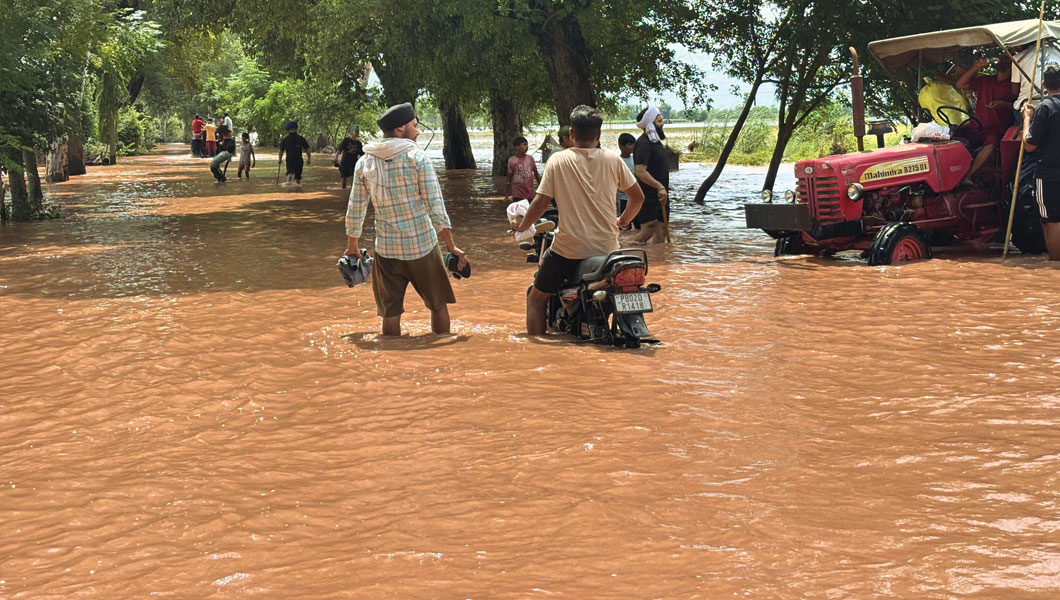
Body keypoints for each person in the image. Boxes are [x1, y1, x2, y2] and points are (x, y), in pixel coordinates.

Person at [514, 105, 645, 335]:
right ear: (599, 135)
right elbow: (637, 198)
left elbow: (540, 202)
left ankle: (536, 357)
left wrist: (521, 225)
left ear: (571, 134)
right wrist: (622, 222)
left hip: (569, 251)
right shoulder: (613, 159)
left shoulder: (558, 160)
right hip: (608, 250)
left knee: (536, 298)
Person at [344, 102, 468, 336]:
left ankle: (392, 359)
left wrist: (352, 246)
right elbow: (435, 206)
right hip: (421, 245)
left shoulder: (365, 161)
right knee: (438, 304)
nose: (418, 130)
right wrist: (451, 247)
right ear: (401, 129)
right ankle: (442, 351)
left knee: (390, 313)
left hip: (387, 249)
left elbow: (356, 207)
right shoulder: (417, 157)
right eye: (415, 125)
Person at [954, 55, 1016, 185]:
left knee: (992, 142)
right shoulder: (986, 80)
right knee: (953, 134)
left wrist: (1004, 105)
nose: (1001, 61)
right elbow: (960, 83)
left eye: (1006, 60)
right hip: (977, 126)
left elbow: (1020, 107)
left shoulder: (1014, 86)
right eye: (1000, 59)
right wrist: (976, 67)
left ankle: (968, 176)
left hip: (997, 129)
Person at [1022, 64, 1060, 260]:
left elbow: (1029, 145)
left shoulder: (1045, 107)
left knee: (1051, 221)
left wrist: (1027, 118)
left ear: (1044, 85)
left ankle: (1054, 268)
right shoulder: (1046, 108)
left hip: (1049, 173)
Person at [631, 106, 670, 244]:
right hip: (649, 195)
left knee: (662, 230)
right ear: (650, 123)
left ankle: (659, 261)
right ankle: (622, 251)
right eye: (659, 121)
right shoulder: (644, 144)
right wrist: (659, 186)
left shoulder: (655, 142)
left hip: (661, 195)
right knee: (648, 231)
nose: (662, 123)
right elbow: (640, 171)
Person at [1011, 42, 1060, 111]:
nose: (1014, 48)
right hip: (1056, 102)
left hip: (1029, 103)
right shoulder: (1057, 51)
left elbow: (1015, 91)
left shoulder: (1017, 59)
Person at [506, 136, 539, 203]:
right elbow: (509, 179)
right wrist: (506, 195)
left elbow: (536, 174)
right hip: (517, 194)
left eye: (527, 144)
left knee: (529, 212)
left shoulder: (530, 158)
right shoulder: (512, 160)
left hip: (530, 193)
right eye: (524, 144)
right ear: (517, 147)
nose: (527, 147)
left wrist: (541, 189)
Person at [616, 133, 636, 216]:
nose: (633, 147)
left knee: (638, 225)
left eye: (633, 144)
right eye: (629, 144)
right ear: (621, 146)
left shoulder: (636, 159)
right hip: (622, 198)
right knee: (624, 224)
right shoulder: (617, 161)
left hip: (635, 197)